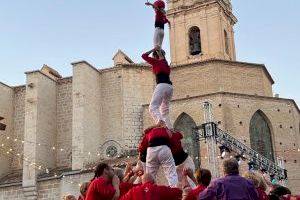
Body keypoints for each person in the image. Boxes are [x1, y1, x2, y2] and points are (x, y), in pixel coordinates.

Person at [142, 48, 173, 129]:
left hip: (162, 85)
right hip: (169, 87)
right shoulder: (165, 64)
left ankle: (161, 122)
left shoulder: (156, 62)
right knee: (164, 110)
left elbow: (144, 56)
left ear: (155, 56)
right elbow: (162, 57)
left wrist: (153, 49)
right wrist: (159, 51)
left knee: (153, 107)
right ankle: (169, 128)